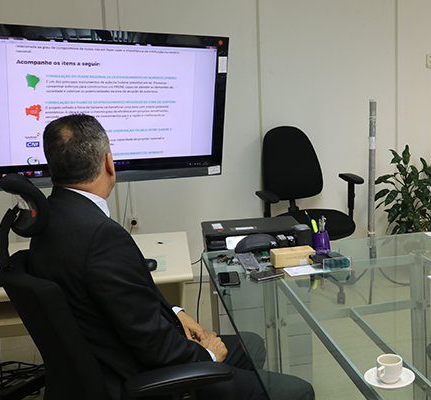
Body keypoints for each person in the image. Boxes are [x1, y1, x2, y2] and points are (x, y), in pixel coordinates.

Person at [28, 114, 314, 400]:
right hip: (141, 377)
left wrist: (177, 313)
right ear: (108, 163)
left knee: (251, 345)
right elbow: (153, 344)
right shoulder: (101, 236)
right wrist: (207, 355)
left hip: (107, 357)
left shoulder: (50, 219)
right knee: (299, 391)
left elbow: (126, 303)